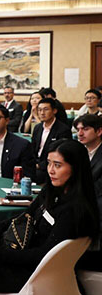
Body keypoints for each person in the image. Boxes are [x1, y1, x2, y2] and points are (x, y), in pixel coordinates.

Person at [0, 139, 99, 295]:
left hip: (34, 272)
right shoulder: (51, 191)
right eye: (49, 163)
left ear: (75, 168)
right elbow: (23, 217)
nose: (50, 170)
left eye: (57, 165)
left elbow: (44, 256)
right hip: (21, 258)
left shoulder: (75, 210)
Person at [73, 114, 102, 272]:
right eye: (78, 129)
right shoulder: (79, 153)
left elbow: (96, 192)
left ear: (99, 131)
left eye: (85, 129)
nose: (80, 133)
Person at [32, 98, 72, 183]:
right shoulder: (37, 128)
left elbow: (62, 155)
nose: (42, 113)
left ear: (54, 111)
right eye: (39, 110)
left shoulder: (63, 130)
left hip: (50, 166)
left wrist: (39, 165)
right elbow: (32, 149)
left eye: (46, 109)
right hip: (35, 163)